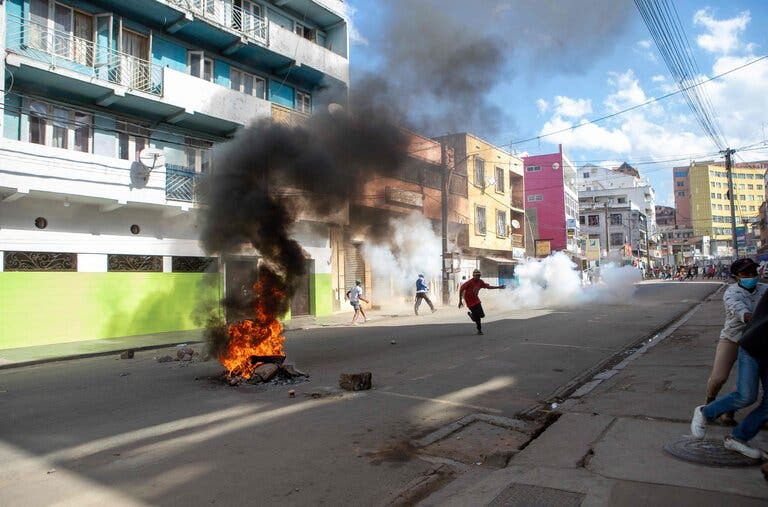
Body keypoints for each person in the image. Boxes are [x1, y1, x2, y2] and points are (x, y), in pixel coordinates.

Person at [692, 286, 768, 459]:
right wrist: (746, 316)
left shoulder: (763, 288)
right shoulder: (732, 292)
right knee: (744, 393)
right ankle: (707, 411)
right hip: (750, 345)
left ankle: (737, 438)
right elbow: (739, 309)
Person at [697, 258, 768, 428]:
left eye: (753, 272)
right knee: (719, 377)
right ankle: (710, 402)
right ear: (736, 276)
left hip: (756, 343)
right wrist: (755, 318)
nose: (751, 276)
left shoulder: (765, 289)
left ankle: (729, 412)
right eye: (745, 273)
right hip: (733, 338)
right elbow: (741, 312)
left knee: (746, 384)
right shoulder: (731, 293)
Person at [458, 269, 505, 335]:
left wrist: (499, 287)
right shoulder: (469, 282)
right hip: (469, 301)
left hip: (476, 300)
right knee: (477, 317)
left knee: (482, 315)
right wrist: (460, 301)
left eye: (479, 275)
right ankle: (479, 330)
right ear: (473, 275)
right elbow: (461, 289)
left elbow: (488, 287)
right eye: (477, 275)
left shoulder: (480, 282)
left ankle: (472, 316)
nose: (478, 277)